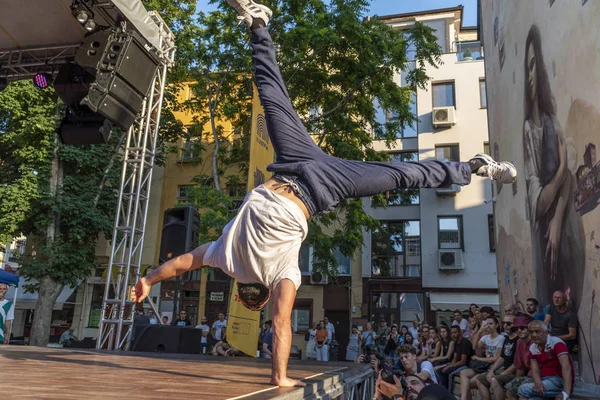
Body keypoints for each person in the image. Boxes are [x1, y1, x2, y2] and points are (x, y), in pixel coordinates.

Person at [131, 0, 517, 387]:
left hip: (316, 182)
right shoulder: (224, 257)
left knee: (401, 175)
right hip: (300, 172)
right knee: (272, 95)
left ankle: (473, 167)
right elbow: (181, 262)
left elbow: (281, 322)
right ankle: (258, 26)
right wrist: (149, 280)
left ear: (262, 297)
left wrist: (280, 378)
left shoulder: (277, 274)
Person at [523, 24, 585, 311]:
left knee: (573, 293)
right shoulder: (528, 129)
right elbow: (538, 204)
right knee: (551, 297)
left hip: (562, 224)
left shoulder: (551, 119)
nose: (529, 75)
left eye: (534, 65)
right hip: (542, 236)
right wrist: (560, 172)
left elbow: (570, 178)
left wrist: (558, 218)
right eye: (526, 68)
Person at [517, 320, 573, 400]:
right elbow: (535, 370)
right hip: (545, 380)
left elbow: (566, 368)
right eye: (531, 332)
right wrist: (538, 382)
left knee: (523, 389)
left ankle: (559, 393)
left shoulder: (557, 343)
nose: (534, 335)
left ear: (546, 332)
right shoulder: (533, 347)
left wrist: (566, 393)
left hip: (558, 380)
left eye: (537, 332)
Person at [459, 316, 505, 400]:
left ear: (496, 325)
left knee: (473, 382)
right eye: (487, 324)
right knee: (463, 374)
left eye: (491, 324)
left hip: (496, 367)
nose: (488, 326)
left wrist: (478, 358)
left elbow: (495, 359)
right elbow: (474, 347)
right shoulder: (485, 337)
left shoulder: (501, 338)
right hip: (486, 366)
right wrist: (479, 332)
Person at [476, 315, 518, 400]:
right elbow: (501, 358)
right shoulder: (506, 338)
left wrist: (503, 373)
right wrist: (492, 371)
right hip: (502, 370)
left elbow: (517, 363)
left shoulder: (518, 340)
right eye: (504, 323)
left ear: (515, 325)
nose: (505, 325)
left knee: (495, 380)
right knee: (479, 379)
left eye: (508, 323)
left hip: (513, 372)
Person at [502, 315, 534, 400]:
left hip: (541, 375)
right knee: (510, 389)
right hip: (528, 375)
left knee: (522, 390)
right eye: (516, 329)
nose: (519, 330)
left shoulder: (535, 341)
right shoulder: (519, 341)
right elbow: (519, 366)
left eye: (522, 328)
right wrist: (516, 382)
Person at [438, 326, 474, 391]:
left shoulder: (465, 342)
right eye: (451, 333)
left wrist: (449, 366)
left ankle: (449, 393)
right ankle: (442, 390)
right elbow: (455, 358)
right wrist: (449, 365)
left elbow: (463, 361)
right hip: (459, 363)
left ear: (460, 332)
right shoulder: (455, 343)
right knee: (440, 371)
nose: (453, 334)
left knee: (449, 372)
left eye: (455, 332)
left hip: (466, 365)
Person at [375, 373, 454, 400]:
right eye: (405, 387)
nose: (409, 386)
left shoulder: (431, 388)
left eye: (414, 382)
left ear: (424, 385)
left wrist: (397, 396)